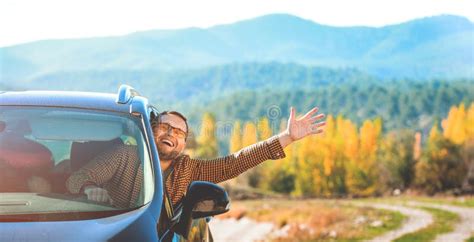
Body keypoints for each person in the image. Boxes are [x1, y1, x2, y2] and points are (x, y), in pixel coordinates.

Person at [66, 107, 326, 208]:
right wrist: (91, 190)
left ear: (183, 144)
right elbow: (78, 178)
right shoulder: (124, 155)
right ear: (152, 130)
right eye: (166, 127)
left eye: (179, 132)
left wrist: (287, 137)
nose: (172, 134)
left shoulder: (188, 169)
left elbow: (234, 163)